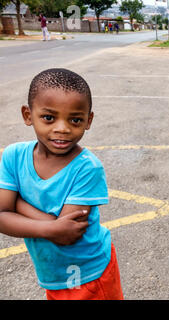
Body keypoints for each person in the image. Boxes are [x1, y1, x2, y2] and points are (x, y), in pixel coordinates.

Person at [0, 68, 124, 300]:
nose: (62, 128)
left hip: (90, 276)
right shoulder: (14, 156)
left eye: (75, 119)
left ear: (89, 120)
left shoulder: (87, 167)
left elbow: (67, 233)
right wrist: (50, 227)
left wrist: (15, 204)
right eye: (49, 117)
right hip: (52, 275)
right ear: (28, 115)